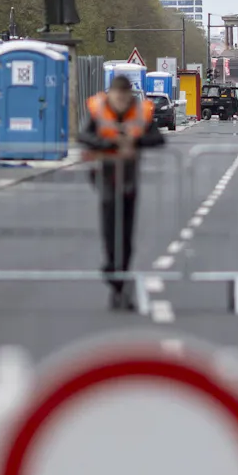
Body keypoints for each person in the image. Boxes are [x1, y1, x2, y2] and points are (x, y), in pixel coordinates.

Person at [78, 74, 166, 309]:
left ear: (129, 96)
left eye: (125, 97)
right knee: (111, 230)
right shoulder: (98, 109)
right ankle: (113, 273)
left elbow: (158, 138)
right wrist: (110, 144)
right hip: (105, 175)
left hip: (128, 177)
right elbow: (84, 135)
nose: (121, 102)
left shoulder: (140, 111)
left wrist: (135, 142)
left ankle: (120, 282)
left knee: (126, 235)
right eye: (117, 97)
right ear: (111, 95)